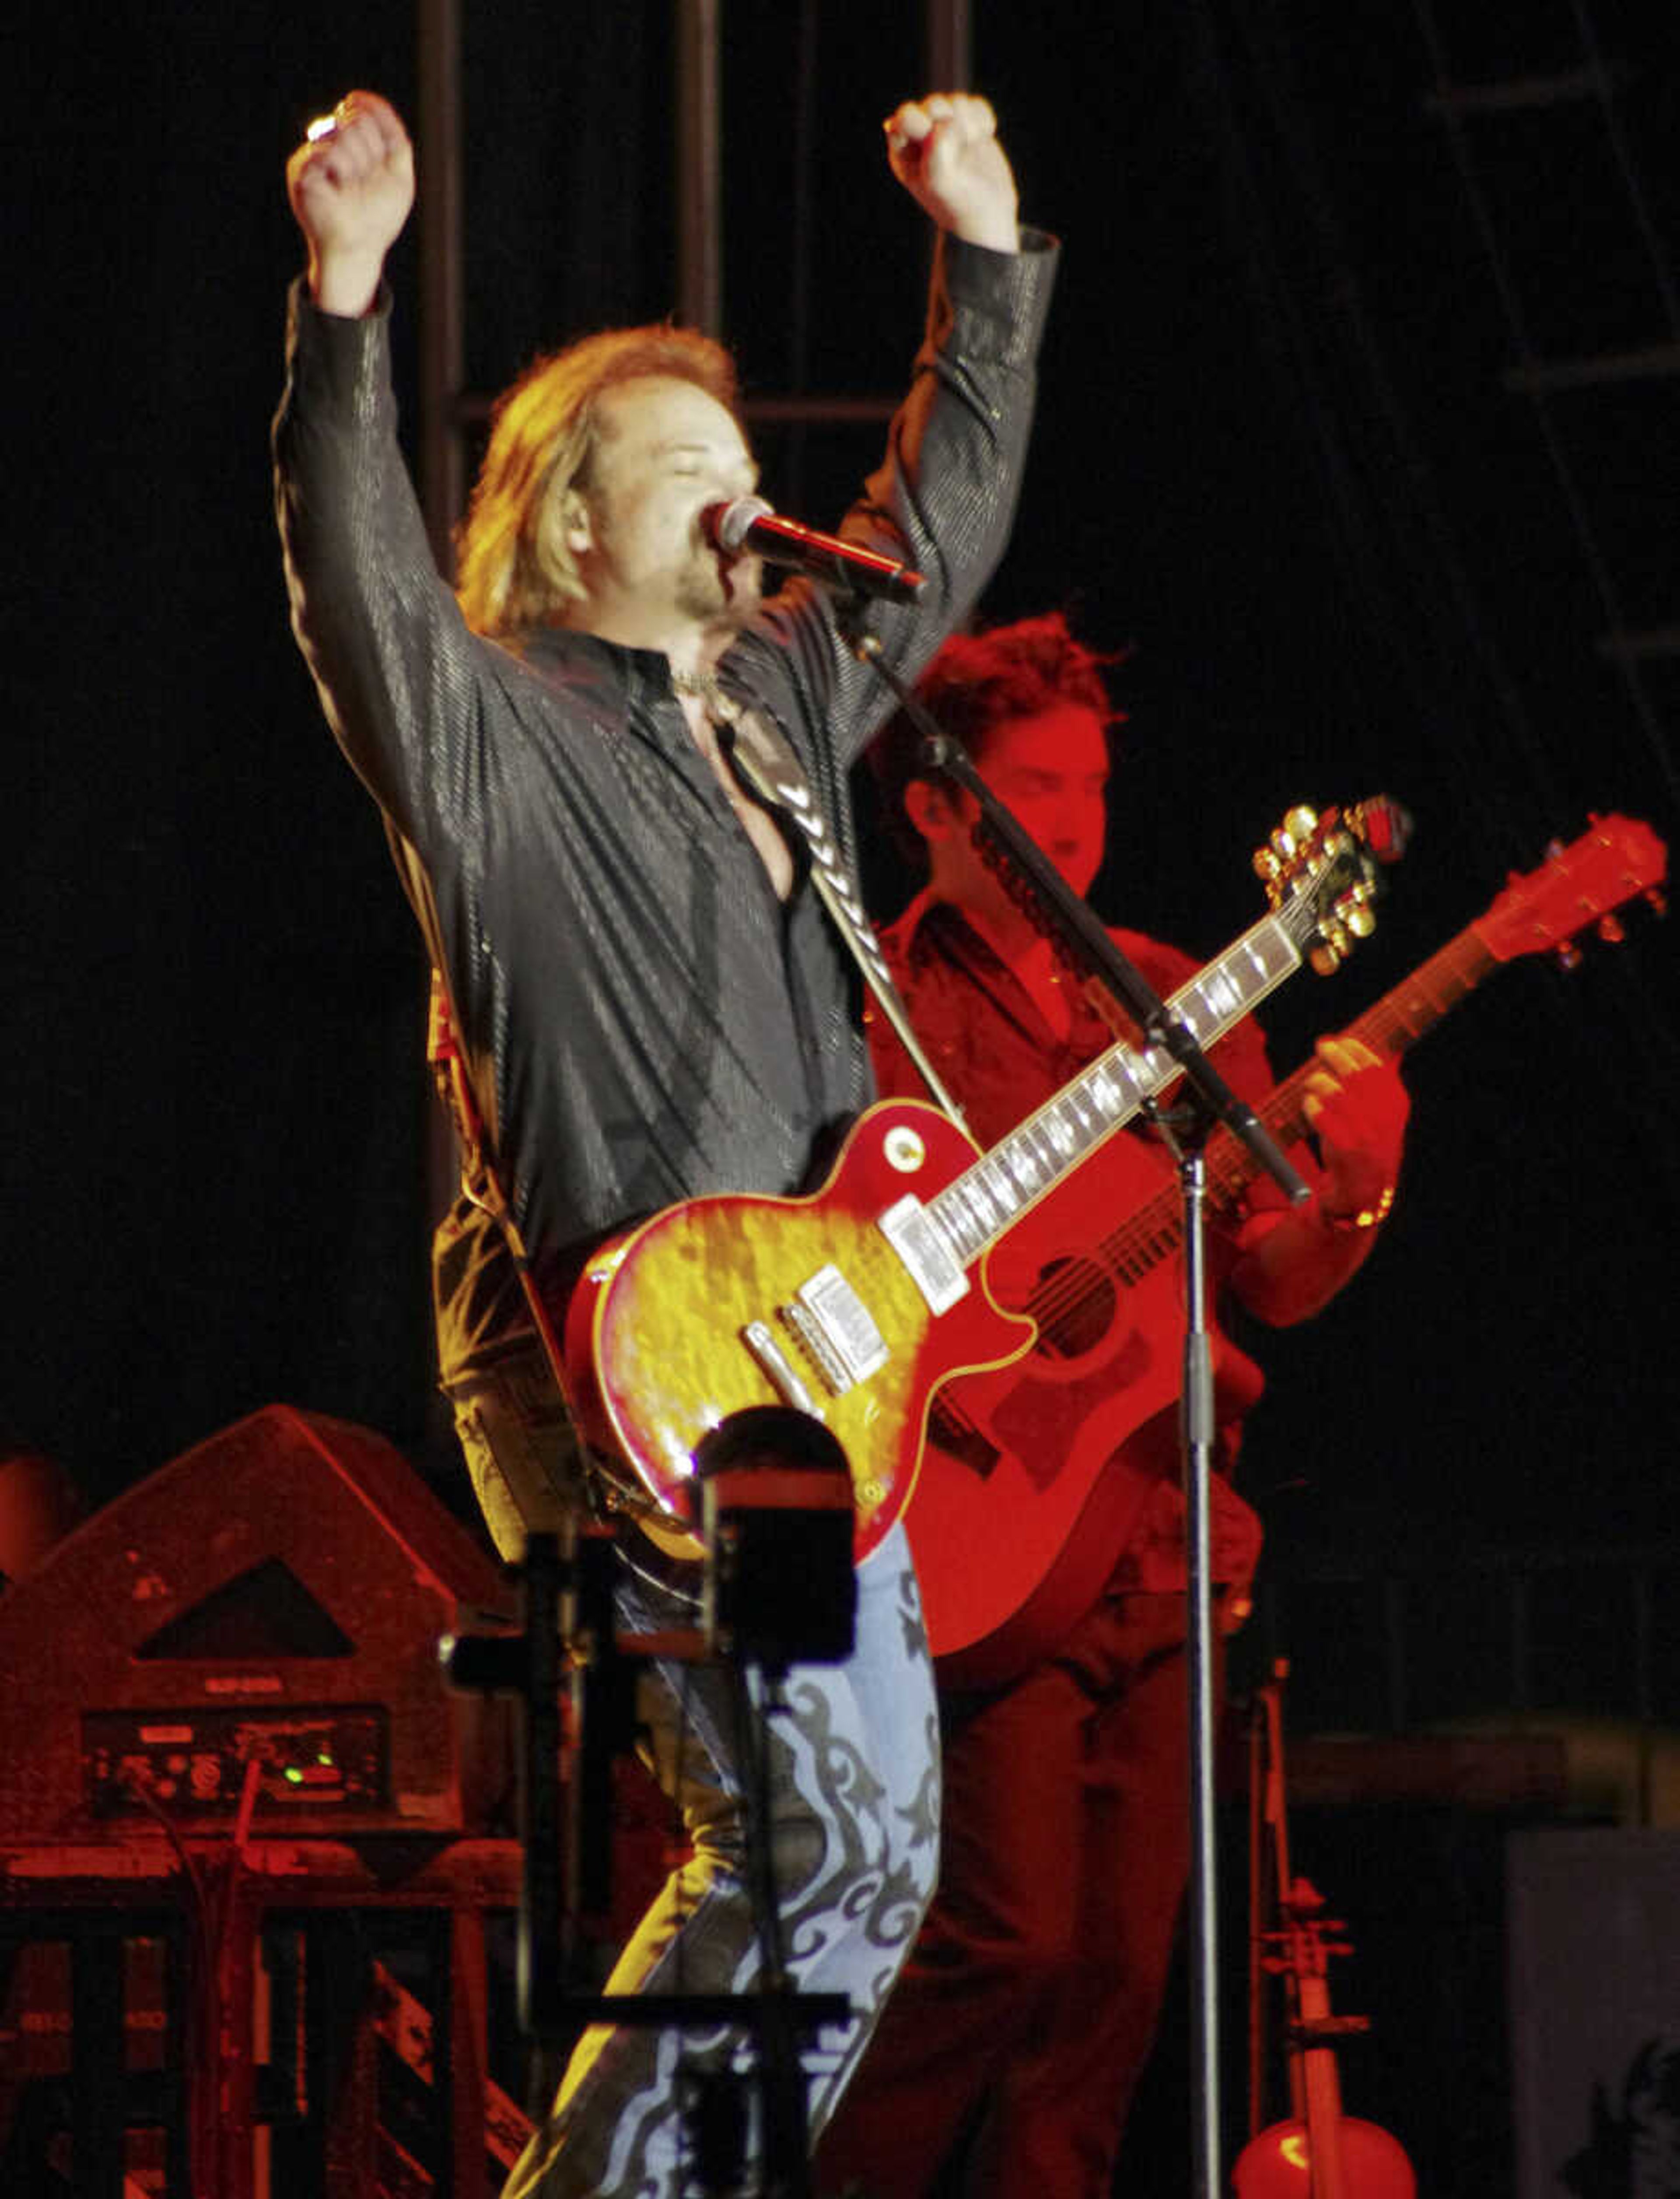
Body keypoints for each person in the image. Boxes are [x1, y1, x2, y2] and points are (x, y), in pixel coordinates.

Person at [274, 84, 1057, 2199]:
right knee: (810, 1841)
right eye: (685, 477)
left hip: (816, 1351)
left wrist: (983, 265)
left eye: (749, 477)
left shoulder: (781, 709)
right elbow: (359, 595)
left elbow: (936, 527)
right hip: (618, 1334)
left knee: (867, 1868)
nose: (742, 507)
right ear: (573, 525)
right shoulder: (497, 729)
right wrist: (346, 308)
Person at [814, 612, 1411, 2197]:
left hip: (1168, 1535)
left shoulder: (1171, 996)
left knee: (1117, 1996)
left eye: (1088, 786)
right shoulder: (871, 1019)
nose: (1069, 824)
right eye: (1031, 787)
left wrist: (1357, 1192)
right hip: (989, 1541)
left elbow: (1265, 1275)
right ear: (936, 807)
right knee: (1003, 1935)